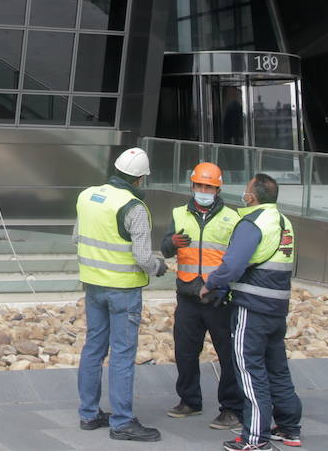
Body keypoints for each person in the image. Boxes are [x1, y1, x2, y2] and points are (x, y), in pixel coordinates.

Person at [200, 174, 302, 450]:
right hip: (277, 308)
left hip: (252, 309)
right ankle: (290, 427)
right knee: (277, 369)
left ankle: (255, 438)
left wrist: (210, 284)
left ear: (252, 197)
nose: (243, 194)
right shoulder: (284, 222)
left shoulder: (253, 222)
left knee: (249, 369)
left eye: (246, 190)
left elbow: (232, 265)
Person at [75, 146, 169, 443]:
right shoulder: (133, 208)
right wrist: (159, 267)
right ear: (140, 179)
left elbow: (77, 236)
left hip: (93, 287)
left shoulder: (87, 196)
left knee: (93, 348)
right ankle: (122, 422)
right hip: (124, 291)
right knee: (122, 356)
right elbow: (143, 258)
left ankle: (89, 414)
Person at [161, 162, 243, 431]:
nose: (203, 190)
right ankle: (189, 400)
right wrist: (171, 243)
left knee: (227, 354)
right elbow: (164, 248)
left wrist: (227, 288)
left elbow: (238, 257)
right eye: (200, 185)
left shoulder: (232, 218)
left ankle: (231, 408)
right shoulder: (179, 213)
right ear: (193, 186)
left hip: (218, 297)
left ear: (217, 189)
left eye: (209, 186)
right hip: (187, 294)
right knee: (184, 351)